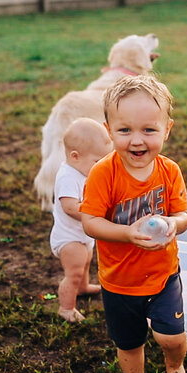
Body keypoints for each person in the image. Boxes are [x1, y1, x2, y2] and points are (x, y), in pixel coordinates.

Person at [80, 75, 187, 373]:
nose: (137, 141)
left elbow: (184, 215)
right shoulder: (103, 174)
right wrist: (127, 233)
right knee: (129, 344)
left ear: (167, 129)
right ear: (108, 130)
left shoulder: (169, 171)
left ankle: (175, 367)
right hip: (119, 281)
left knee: (171, 337)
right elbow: (90, 223)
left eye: (149, 130)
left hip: (162, 274)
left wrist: (173, 224)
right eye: (125, 130)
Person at [48, 118, 113, 323]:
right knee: (74, 272)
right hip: (69, 238)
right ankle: (66, 308)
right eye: (97, 161)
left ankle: (83, 288)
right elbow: (69, 207)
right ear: (75, 157)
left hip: (83, 234)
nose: (101, 166)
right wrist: (94, 211)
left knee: (85, 263)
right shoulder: (68, 176)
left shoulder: (84, 170)